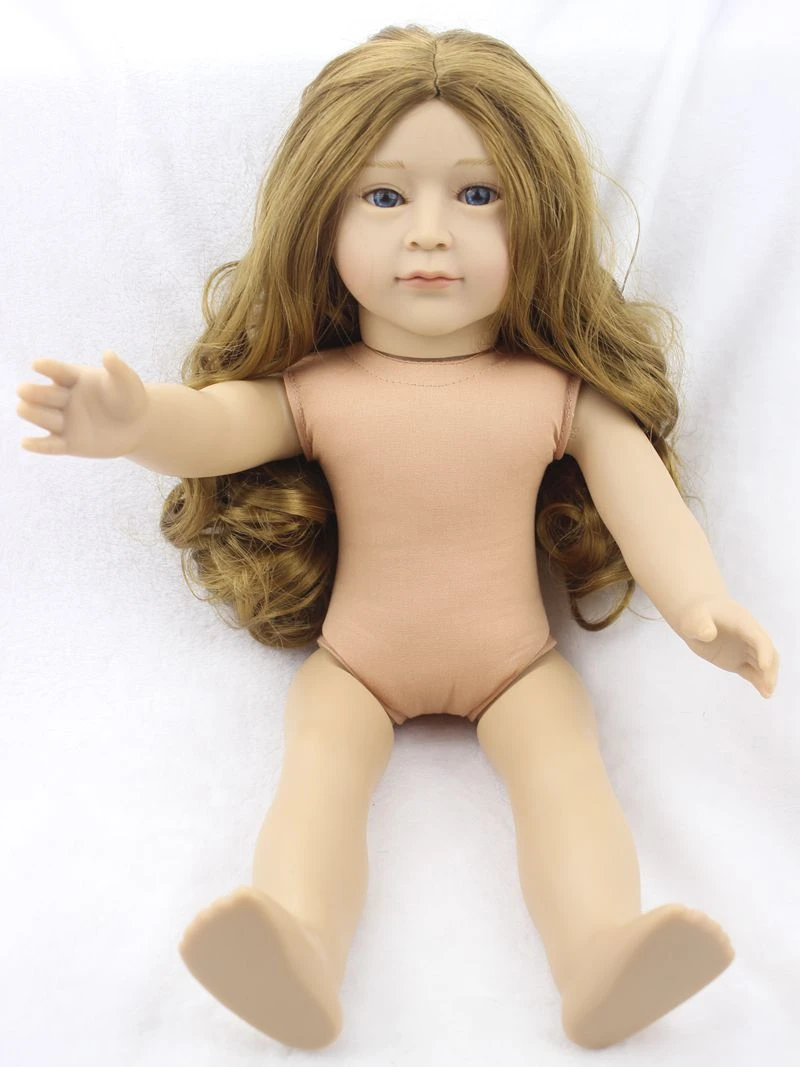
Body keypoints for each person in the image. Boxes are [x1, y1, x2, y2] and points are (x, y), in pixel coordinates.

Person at [15, 24, 779, 1052]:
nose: (428, 234)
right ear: (322, 219)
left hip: (518, 663)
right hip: (355, 662)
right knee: (319, 768)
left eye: (477, 194)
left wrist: (700, 604)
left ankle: (599, 952)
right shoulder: (319, 388)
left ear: (540, 218)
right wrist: (138, 422)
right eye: (384, 196)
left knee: (564, 770)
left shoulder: (556, 392)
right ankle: (296, 945)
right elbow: (220, 424)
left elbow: (643, 498)